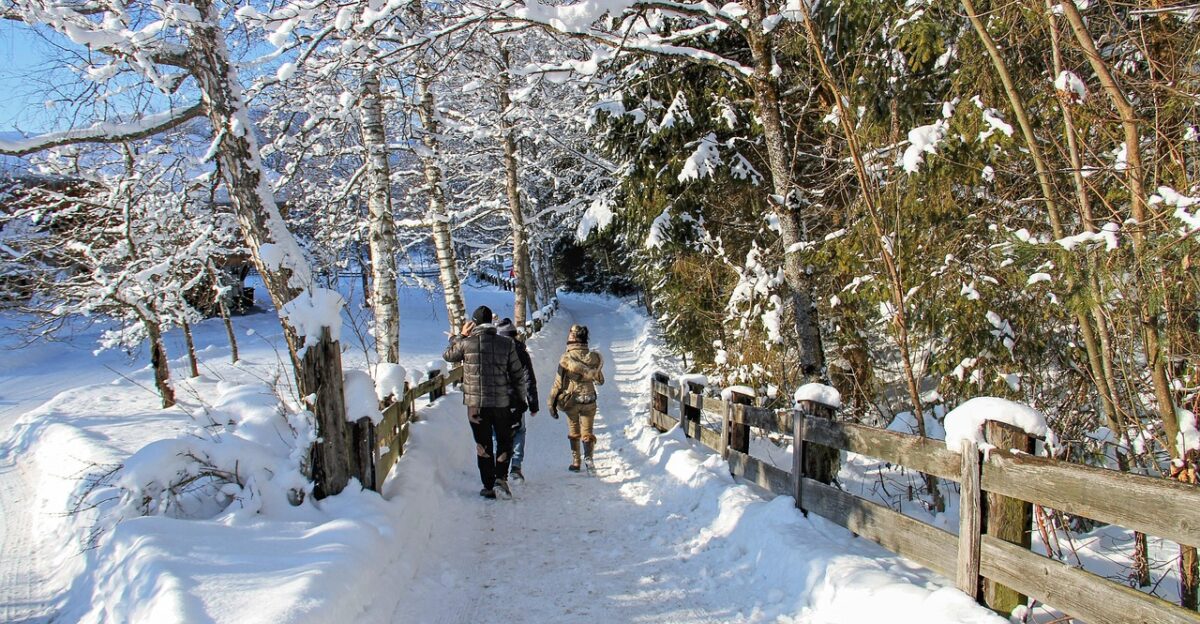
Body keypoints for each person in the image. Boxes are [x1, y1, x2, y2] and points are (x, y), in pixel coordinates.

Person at [443, 305, 530, 499]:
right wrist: (521, 399)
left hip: (476, 405)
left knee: (483, 444)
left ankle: (488, 485)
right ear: (491, 321)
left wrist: (459, 337)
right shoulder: (506, 344)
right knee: (504, 441)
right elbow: (517, 375)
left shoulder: (467, 343)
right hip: (502, 403)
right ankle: (501, 478)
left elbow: (449, 356)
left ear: (474, 323)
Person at [547, 324, 604, 472]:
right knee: (588, 431)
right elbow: (600, 380)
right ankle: (589, 459)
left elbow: (558, 383)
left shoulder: (566, 358)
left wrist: (551, 403)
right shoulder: (594, 357)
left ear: (573, 337)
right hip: (590, 398)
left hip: (572, 399)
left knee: (574, 428)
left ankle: (576, 461)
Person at [495, 318, 538, 481]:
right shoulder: (521, 351)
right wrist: (533, 404)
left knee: (497, 434)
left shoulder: (494, 350)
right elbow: (529, 379)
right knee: (519, 431)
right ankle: (516, 466)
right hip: (517, 400)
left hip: (497, 400)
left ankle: (498, 466)